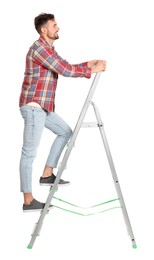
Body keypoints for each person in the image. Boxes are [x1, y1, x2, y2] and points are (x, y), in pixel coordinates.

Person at [19, 13, 106, 212]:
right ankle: (28, 200)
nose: (58, 28)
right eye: (54, 25)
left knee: (65, 132)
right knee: (29, 153)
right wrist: (91, 71)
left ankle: (47, 174)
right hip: (34, 106)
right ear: (44, 30)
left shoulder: (49, 49)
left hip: (43, 107)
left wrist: (88, 64)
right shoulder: (39, 49)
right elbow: (64, 70)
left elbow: (65, 66)